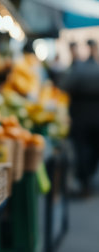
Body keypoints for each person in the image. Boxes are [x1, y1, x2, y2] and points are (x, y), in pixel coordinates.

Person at [62, 40, 99, 197]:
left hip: (80, 116)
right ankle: (88, 176)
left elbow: (65, 86)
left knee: (82, 148)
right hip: (95, 115)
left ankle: (84, 180)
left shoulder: (78, 69)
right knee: (94, 148)